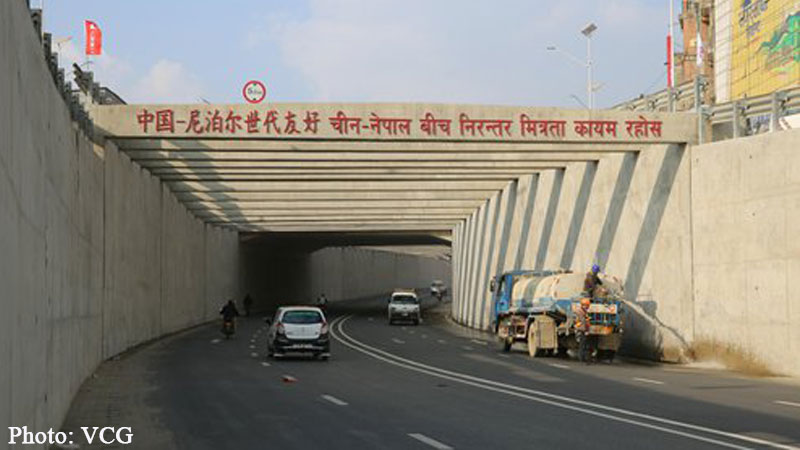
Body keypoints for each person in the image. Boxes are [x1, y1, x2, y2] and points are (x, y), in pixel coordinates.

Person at [575, 297, 593, 363]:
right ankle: (582, 358)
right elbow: (584, 322)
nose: (587, 307)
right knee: (582, 344)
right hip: (581, 329)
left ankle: (582, 357)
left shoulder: (583, 311)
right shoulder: (581, 312)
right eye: (586, 305)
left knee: (583, 344)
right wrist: (586, 330)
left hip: (582, 329)